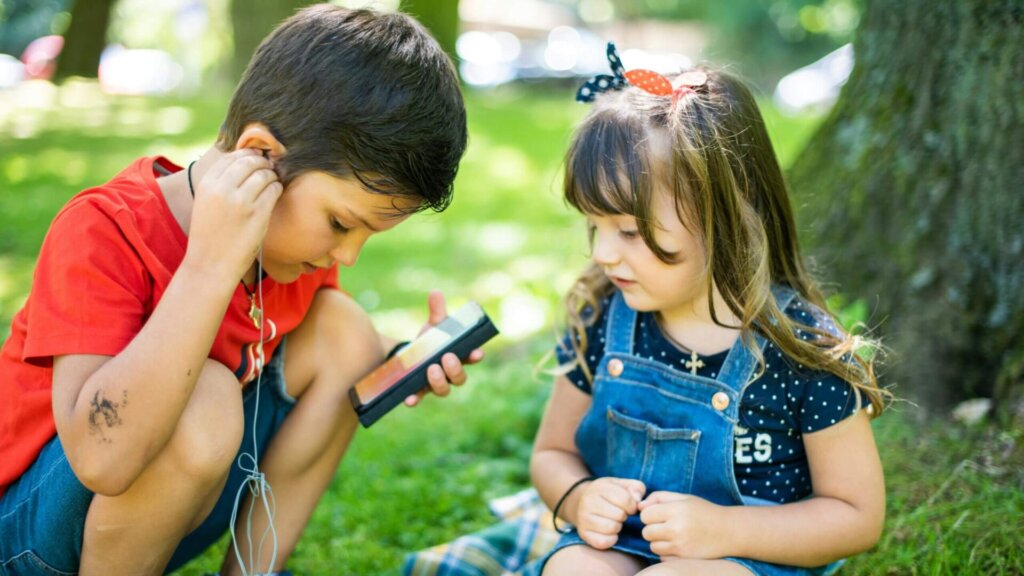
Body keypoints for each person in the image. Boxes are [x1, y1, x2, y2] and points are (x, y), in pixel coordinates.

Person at [0, 5, 475, 575]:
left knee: (347, 333)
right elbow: (101, 458)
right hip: (30, 532)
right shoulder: (105, 231)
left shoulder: (288, 255)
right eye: (342, 224)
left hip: (156, 512)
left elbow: (304, 349)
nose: (346, 255)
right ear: (260, 157)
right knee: (204, 395)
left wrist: (396, 363)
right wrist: (209, 265)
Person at [529, 43, 889, 576]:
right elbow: (550, 454)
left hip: (750, 556)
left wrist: (725, 530)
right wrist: (580, 498)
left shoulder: (801, 350)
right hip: (619, 547)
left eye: (629, 231)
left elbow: (857, 516)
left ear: (724, 214)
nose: (603, 255)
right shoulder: (603, 316)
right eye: (595, 227)